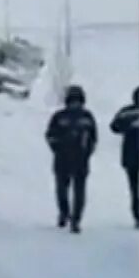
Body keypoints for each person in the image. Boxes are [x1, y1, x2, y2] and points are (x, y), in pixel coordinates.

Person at [46, 83, 99, 233]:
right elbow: (50, 135)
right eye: (72, 100)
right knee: (62, 190)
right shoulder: (59, 117)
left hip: (81, 160)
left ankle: (76, 220)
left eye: (78, 100)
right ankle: (64, 213)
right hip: (62, 159)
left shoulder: (87, 117)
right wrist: (57, 148)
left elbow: (94, 138)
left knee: (79, 192)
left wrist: (87, 153)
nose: (75, 103)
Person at [109, 86, 139, 227]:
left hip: (131, 157)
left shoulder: (127, 112)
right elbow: (114, 127)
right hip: (133, 157)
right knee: (137, 189)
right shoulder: (127, 112)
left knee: (136, 190)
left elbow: (115, 127)